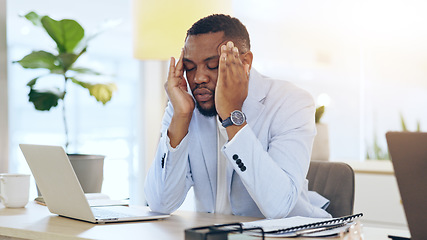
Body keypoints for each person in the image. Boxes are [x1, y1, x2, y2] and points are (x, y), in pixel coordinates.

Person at [144, 14, 331, 219]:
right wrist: (180, 115)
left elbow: (279, 207)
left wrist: (232, 116)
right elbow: (160, 203)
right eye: (190, 67)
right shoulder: (184, 105)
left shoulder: (291, 102)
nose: (198, 78)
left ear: (245, 63)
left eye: (213, 65)